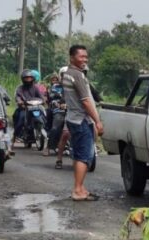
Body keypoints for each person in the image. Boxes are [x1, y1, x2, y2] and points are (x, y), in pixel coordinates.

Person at [62, 44, 104, 200]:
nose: (84, 59)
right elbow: (86, 101)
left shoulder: (67, 73)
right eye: (81, 56)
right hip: (81, 120)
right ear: (72, 57)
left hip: (73, 118)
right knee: (84, 156)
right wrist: (97, 121)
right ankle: (78, 190)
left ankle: (80, 187)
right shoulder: (77, 75)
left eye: (86, 56)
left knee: (79, 154)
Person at [55, 62, 104, 170]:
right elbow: (64, 99)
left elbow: (96, 96)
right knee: (65, 134)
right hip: (74, 115)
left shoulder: (87, 84)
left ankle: (92, 145)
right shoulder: (67, 85)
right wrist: (62, 104)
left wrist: (100, 101)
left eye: (83, 72)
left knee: (95, 130)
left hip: (88, 114)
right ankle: (59, 158)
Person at [11, 69, 44, 152]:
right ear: (23, 79)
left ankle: (42, 130)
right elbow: (17, 97)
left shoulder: (35, 88)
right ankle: (16, 135)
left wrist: (43, 100)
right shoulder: (20, 88)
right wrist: (20, 102)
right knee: (20, 119)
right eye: (26, 78)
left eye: (30, 78)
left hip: (35, 107)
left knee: (43, 114)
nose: (28, 80)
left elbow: (41, 97)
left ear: (33, 78)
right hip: (24, 108)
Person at [45, 73, 65, 157]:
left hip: (75, 111)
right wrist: (56, 103)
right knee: (55, 128)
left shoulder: (75, 86)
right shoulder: (55, 87)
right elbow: (51, 96)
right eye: (63, 76)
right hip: (59, 110)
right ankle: (48, 147)